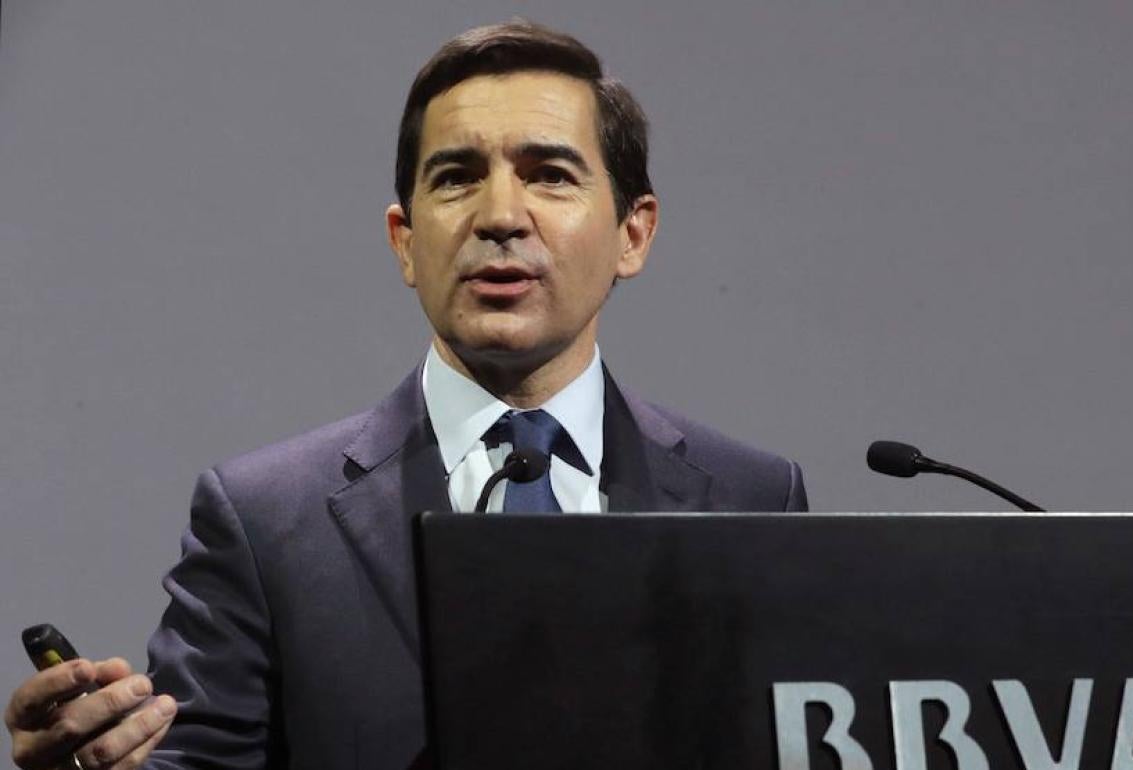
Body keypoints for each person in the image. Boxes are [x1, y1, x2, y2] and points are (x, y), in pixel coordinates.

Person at [5, 20, 808, 769]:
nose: (500, 216)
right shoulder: (264, 521)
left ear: (633, 232)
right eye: (457, 178)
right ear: (405, 241)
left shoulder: (752, 500)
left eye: (549, 176)